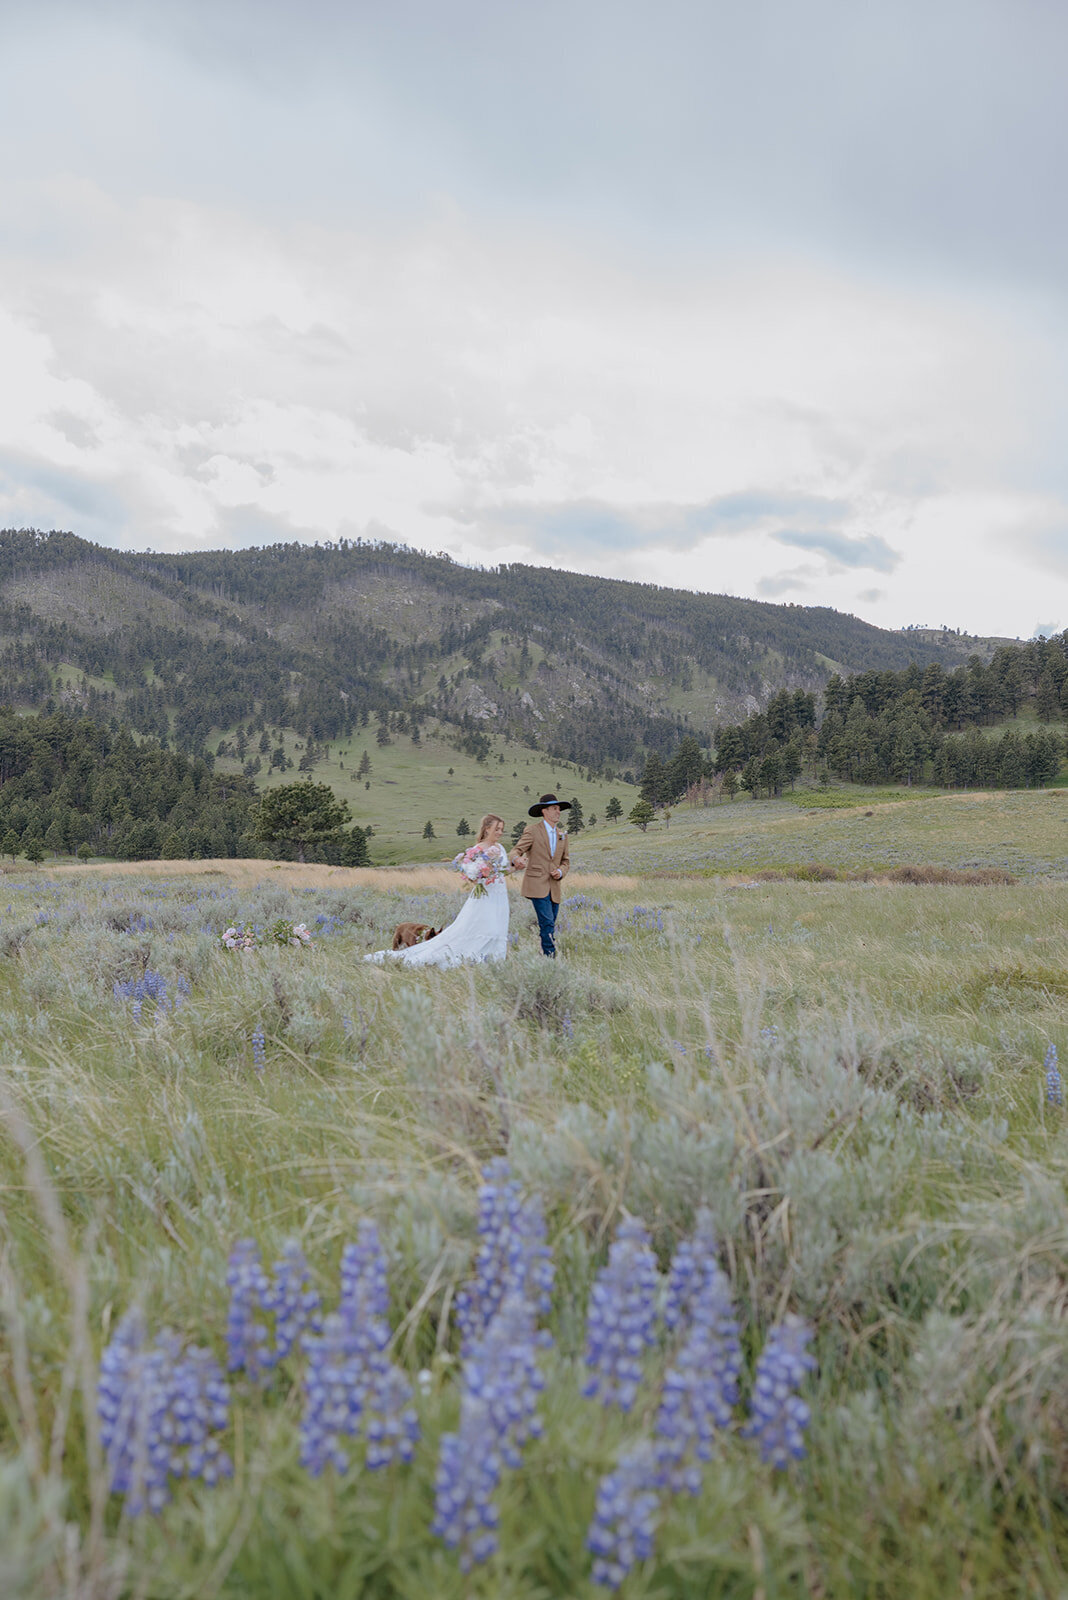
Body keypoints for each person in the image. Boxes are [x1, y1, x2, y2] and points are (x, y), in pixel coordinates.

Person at [364, 813, 516, 968]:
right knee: (484, 926)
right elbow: (474, 878)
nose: (500, 833)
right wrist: (482, 872)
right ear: (487, 828)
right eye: (497, 829)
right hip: (484, 896)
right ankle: (473, 957)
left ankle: (495, 960)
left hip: (500, 895)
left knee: (498, 927)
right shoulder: (478, 849)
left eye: (502, 829)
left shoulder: (500, 848)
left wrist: (515, 868)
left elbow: (502, 872)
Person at [510, 793, 570, 957]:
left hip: (554, 886)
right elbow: (516, 850)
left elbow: (566, 861)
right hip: (536, 884)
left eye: (559, 809)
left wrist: (560, 872)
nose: (558, 812)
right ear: (544, 811)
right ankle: (550, 956)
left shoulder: (562, 835)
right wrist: (516, 859)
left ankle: (544, 953)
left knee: (549, 923)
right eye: (554, 808)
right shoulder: (532, 831)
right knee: (547, 922)